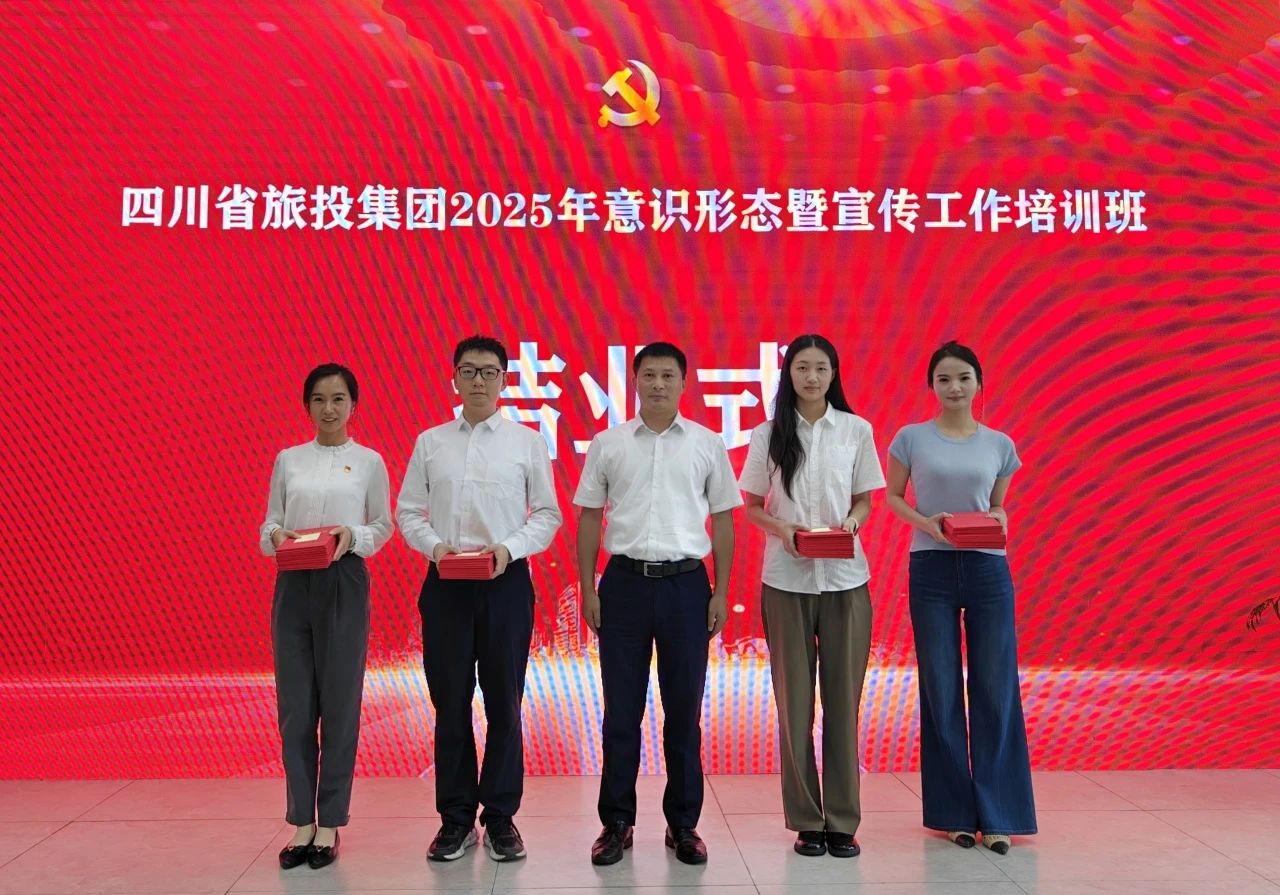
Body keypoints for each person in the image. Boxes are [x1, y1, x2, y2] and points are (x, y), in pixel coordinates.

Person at [574, 341, 742, 867]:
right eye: (649, 375)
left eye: (668, 376)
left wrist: (721, 591)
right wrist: (587, 588)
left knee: (683, 713)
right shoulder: (609, 443)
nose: (658, 384)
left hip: (686, 586)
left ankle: (683, 825)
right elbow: (588, 517)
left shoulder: (707, 444)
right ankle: (616, 823)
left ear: (683, 383)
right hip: (622, 585)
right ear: (635, 381)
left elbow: (724, 520)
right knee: (621, 711)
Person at [397, 335, 562, 863]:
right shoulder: (431, 442)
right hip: (445, 583)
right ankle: (456, 818)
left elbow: (548, 515)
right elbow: (408, 512)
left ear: (505, 380)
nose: (478, 381)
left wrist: (508, 549)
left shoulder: (526, 443)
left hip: (505, 583)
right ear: (454, 378)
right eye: (468, 371)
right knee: (449, 703)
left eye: (489, 372)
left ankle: (501, 817)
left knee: (503, 703)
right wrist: (435, 547)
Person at [885, 340, 1036, 855]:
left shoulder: (1000, 444)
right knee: (941, 687)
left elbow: (997, 506)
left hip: (987, 567)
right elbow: (893, 497)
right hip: (930, 566)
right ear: (932, 385)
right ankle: (953, 815)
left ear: (979, 384)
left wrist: (1001, 517)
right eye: (944, 379)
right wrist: (925, 523)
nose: (954, 387)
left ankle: (1000, 815)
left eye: (963, 378)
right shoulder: (911, 439)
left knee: (995, 687)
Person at [738, 334, 886, 858]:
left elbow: (866, 500)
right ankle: (807, 820)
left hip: (846, 580)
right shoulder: (768, 434)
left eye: (821, 367)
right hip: (787, 581)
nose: (812, 377)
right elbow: (752, 506)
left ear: (834, 374)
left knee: (843, 704)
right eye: (802, 367)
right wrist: (782, 529)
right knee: (794, 706)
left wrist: (853, 523)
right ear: (789, 375)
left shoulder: (856, 429)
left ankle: (842, 820)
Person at [260, 363, 393, 870]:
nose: (329, 409)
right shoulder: (289, 460)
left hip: (343, 579)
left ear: (353, 406)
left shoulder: (369, 461)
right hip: (293, 581)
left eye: (338, 399)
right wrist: (276, 536)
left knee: (339, 704)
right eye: (319, 399)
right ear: (307, 406)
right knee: (295, 706)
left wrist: (350, 536)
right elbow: (271, 522)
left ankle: (331, 822)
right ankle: (301, 821)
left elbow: (382, 525)